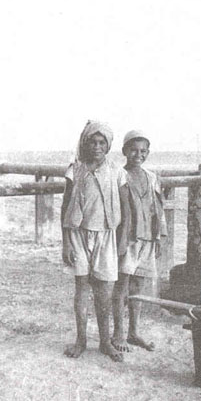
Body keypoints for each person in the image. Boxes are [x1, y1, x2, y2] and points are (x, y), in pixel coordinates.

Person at [61, 120, 130, 362]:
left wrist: (123, 240)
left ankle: (105, 341)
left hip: (106, 236)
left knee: (104, 292)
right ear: (85, 143)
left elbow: (126, 210)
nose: (97, 147)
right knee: (81, 288)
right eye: (93, 142)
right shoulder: (75, 170)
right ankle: (81, 340)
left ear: (108, 146)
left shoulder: (117, 172)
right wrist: (66, 242)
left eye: (102, 143)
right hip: (78, 234)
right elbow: (65, 206)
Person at [112, 130, 167, 352]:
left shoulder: (152, 178)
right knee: (121, 286)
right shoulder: (119, 176)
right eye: (133, 150)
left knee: (138, 286)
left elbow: (158, 209)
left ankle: (133, 332)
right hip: (128, 239)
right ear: (125, 151)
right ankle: (118, 333)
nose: (138, 155)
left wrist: (160, 237)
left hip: (148, 238)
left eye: (143, 151)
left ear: (148, 153)